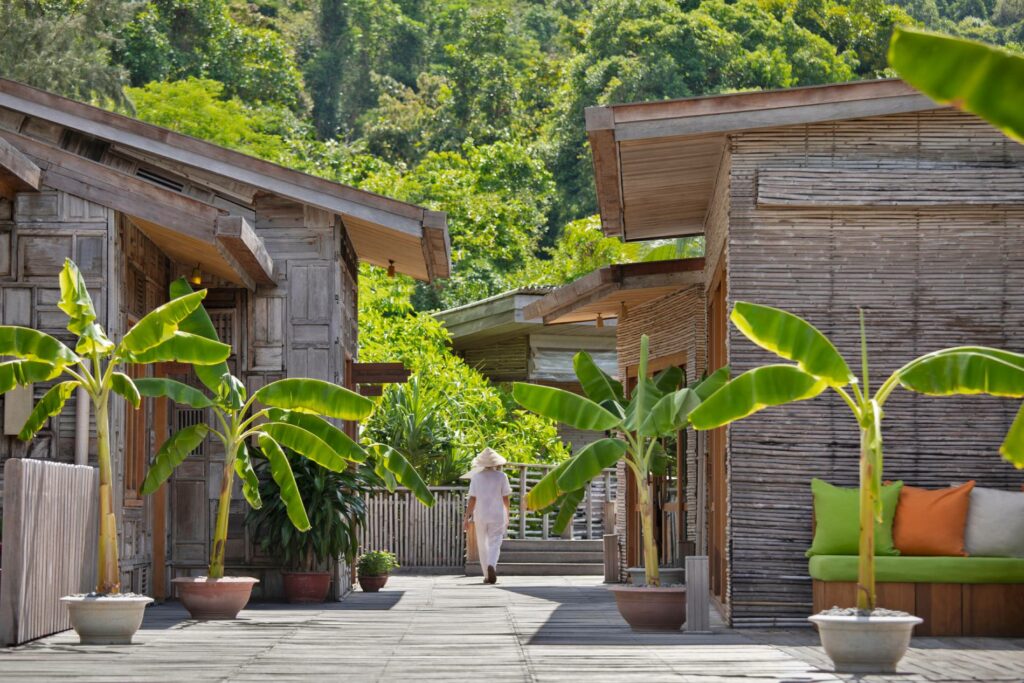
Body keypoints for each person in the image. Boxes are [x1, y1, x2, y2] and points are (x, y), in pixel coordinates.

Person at [462, 447, 512, 584]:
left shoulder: (476, 477)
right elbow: (506, 498)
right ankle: (492, 565)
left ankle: (486, 575)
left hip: (481, 515)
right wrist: (507, 513)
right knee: (495, 542)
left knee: (482, 544)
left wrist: (467, 517)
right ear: (496, 463)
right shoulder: (502, 477)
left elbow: (472, 499)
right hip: (497, 514)